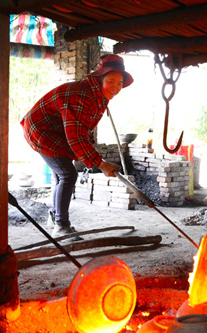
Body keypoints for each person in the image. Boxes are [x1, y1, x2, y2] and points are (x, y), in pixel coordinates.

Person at [20, 54, 133, 237]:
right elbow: (76, 138)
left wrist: (94, 155)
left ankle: (55, 215)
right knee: (67, 174)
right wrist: (101, 164)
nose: (115, 88)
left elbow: (83, 129)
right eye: (111, 81)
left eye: (119, 84)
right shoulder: (80, 96)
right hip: (41, 131)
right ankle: (61, 226)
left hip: (58, 131)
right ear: (99, 78)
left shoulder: (99, 96)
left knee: (61, 174)